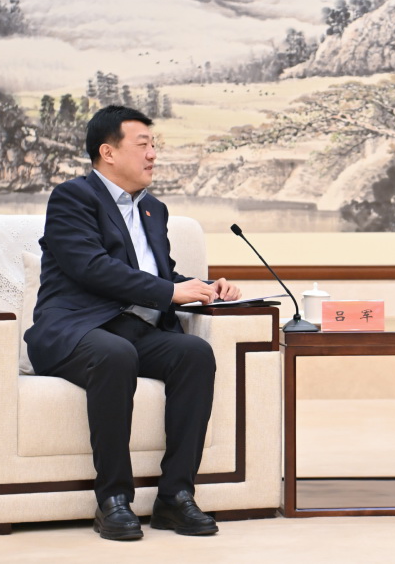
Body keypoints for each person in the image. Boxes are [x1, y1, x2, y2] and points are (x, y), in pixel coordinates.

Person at [24, 105, 241, 541]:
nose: (153, 154)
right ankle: (113, 499)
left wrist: (204, 287)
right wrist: (169, 292)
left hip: (132, 330)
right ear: (108, 152)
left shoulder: (153, 210)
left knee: (194, 353)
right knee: (115, 354)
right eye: (143, 145)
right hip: (73, 329)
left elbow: (160, 276)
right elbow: (91, 267)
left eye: (154, 145)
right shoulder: (72, 198)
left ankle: (175, 496)